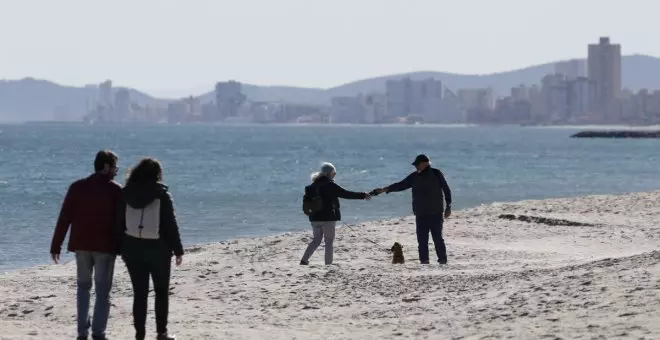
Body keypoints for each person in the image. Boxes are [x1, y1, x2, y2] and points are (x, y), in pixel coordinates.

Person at [50, 150, 122, 340]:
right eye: (115, 167)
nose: (116, 171)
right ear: (106, 167)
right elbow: (122, 223)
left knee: (83, 288)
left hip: (81, 246)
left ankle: (82, 333)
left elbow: (64, 218)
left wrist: (56, 245)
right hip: (105, 248)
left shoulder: (77, 187)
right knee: (102, 291)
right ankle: (98, 334)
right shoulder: (116, 190)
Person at [116, 158, 184, 340]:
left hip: (132, 250)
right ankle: (161, 333)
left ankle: (140, 335)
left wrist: (119, 247)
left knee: (140, 294)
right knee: (161, 292)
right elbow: (170, 225)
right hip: (158, 250)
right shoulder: (162, 196)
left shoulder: (125, 194)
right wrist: (178, 250)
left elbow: (118, 223)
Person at [374, 154, 452, 265]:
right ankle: (424, 262)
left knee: (438, 238)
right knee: (422, 241)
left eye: (417, 164)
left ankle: (443, 260)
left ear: (425, 163)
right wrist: (384, 189)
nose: (416, 167)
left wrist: (448, 206)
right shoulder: (415, 176)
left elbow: (446, 189)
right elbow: (401, 185)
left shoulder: (436, 173)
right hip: (420, 214)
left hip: (436, 213)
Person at [300, 162, 371, 265]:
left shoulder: (311, 186)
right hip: (328, 218)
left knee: (316, 240)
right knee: (329, 241)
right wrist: (363, 195)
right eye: (334, 174)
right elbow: (346, 194)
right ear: (330, 173)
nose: (334, 176)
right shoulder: (330, 185)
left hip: (314, 217)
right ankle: (328, 264)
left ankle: (304, 260)